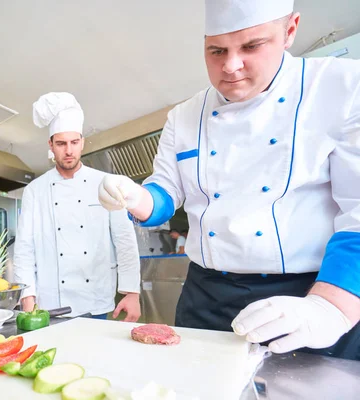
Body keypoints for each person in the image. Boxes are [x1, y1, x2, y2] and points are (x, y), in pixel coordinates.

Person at [98, 0, 360, 360]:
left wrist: (332, 307)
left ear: (291, 30)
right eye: (216, 50)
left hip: (310, 295)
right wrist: (135, 197)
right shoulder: (184, 115)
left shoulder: (342, 86)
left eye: (251, 46)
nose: (231, 66)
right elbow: (165, 194)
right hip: (207, 295)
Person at [13, 92, 141, 321]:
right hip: (50, 302)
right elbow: (24, 247)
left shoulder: (107, 182)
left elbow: (124, 239)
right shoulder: (35, 190)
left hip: (96, 300)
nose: (69, 151)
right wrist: (27, 295)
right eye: (61, 143)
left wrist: (132, 292)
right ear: (50, 145)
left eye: (74, 142)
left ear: (82, 142)